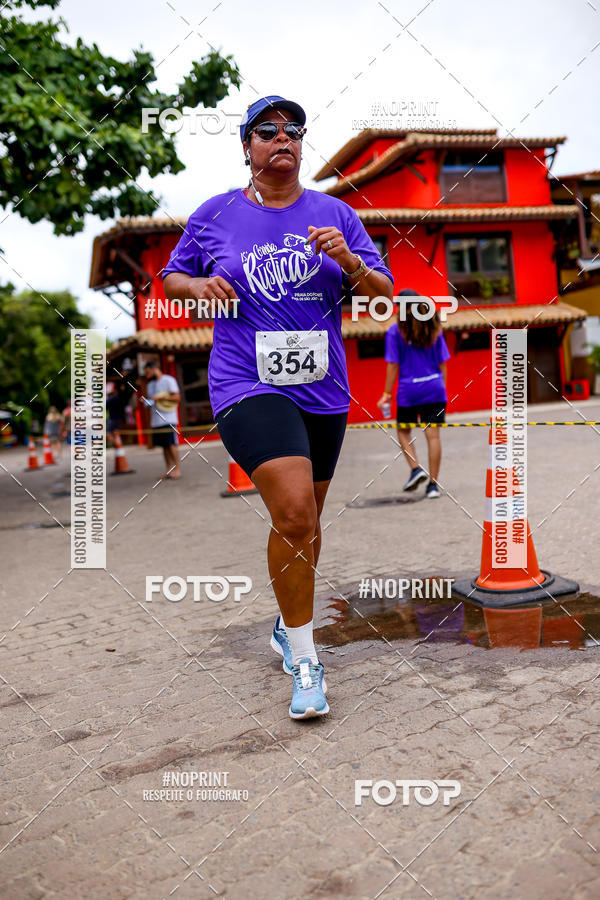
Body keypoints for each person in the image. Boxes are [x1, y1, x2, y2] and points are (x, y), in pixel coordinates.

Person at [163, 95, 393, 719]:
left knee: (308, 524)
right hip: (246, 382)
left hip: (322, 389)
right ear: (247, 146)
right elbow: (172, 278)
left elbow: (385, 292)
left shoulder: (336, 213)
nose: (283, 138)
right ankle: (304, 655)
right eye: (268, 130)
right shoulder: (216, 215)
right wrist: (198, 286)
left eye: (294, 129)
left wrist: (346, 261)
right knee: (293, 512)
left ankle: (283, 622)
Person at [377, 289, 450, 499]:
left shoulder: (394, 331)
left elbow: (392, 365)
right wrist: (441, 388)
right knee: (433, 436)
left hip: (409, 390)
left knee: (403, 431)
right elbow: (443, 362)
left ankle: (416, 468)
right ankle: (433, 486)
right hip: (434, 387)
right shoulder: (434, 328)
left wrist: (386, 393)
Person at [143, 361, 182, 480]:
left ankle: (177, 470)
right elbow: (151, 400)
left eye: (148, 372)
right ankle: (169, 470)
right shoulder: (150, 385)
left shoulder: (168, 380)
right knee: (164, 446)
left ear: (154, 369)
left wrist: (160, 397)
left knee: (171, 444)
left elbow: (177, 398)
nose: (147, 375)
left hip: (168, 419)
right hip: (156, 420)